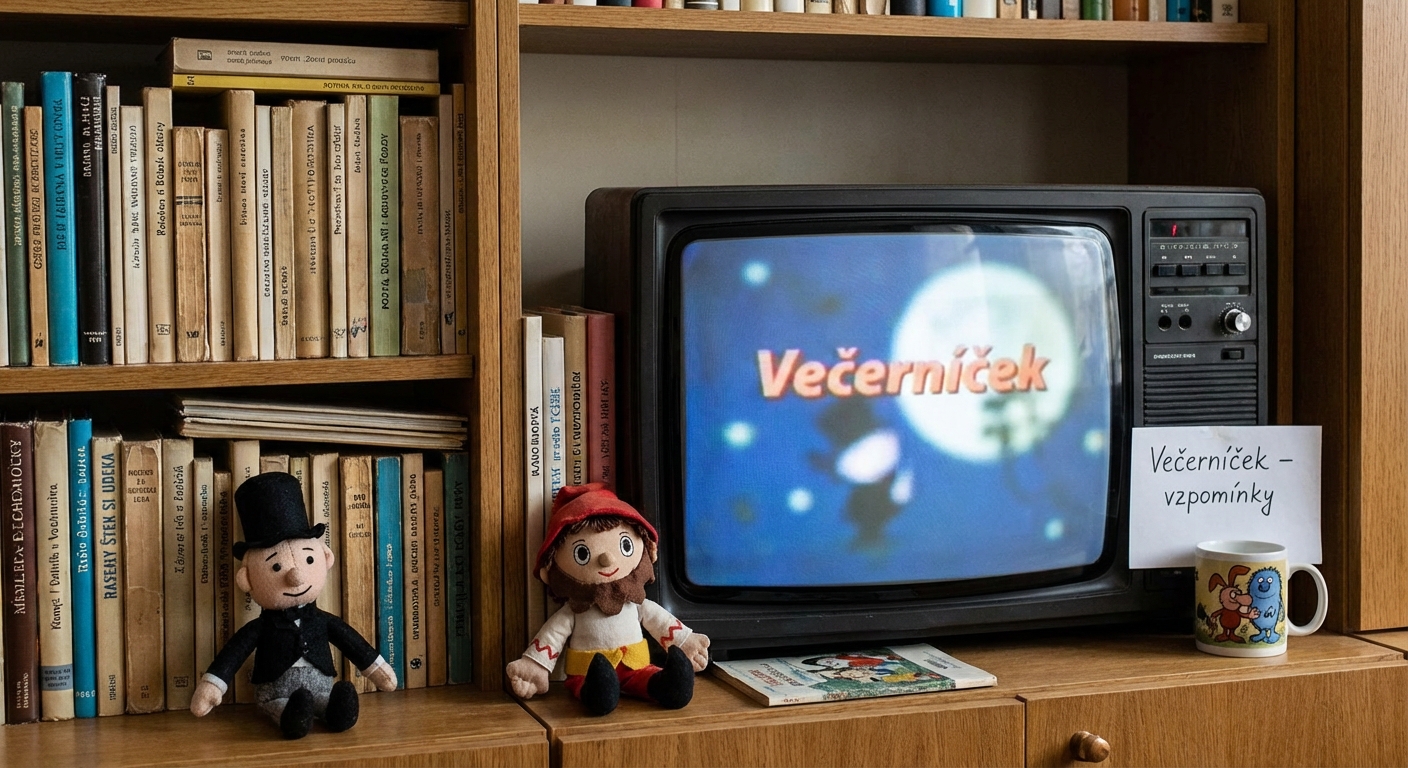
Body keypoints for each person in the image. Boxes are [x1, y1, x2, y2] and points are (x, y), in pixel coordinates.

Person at [190, 472, 398, 738]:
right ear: (247, 579)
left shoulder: (323, 621)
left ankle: (335, 711)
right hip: (274, 693)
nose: (296, 576)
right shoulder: (260, 627)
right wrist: (213, 686)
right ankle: (291, 717)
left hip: (322, 687)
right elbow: (233, 653)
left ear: (325, 558)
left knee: (327, 701)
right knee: (283, 707)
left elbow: (352, 643)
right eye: (275, 566)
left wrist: (378, 671)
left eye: (308, 561)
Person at [506, 483, 710, 716]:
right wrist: (534, 667)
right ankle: (598, 692)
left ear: (648, 547)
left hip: (637, 667)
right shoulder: (573, 611)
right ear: (551, 566)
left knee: (651, 678)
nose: (606, 559)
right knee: (594, 686)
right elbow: (551, 638)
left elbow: (661, 622)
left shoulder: (637, 604)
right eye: (582, 553)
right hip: (586, 673)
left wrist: (685, 643)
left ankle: (668, 686)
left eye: (625, 545)